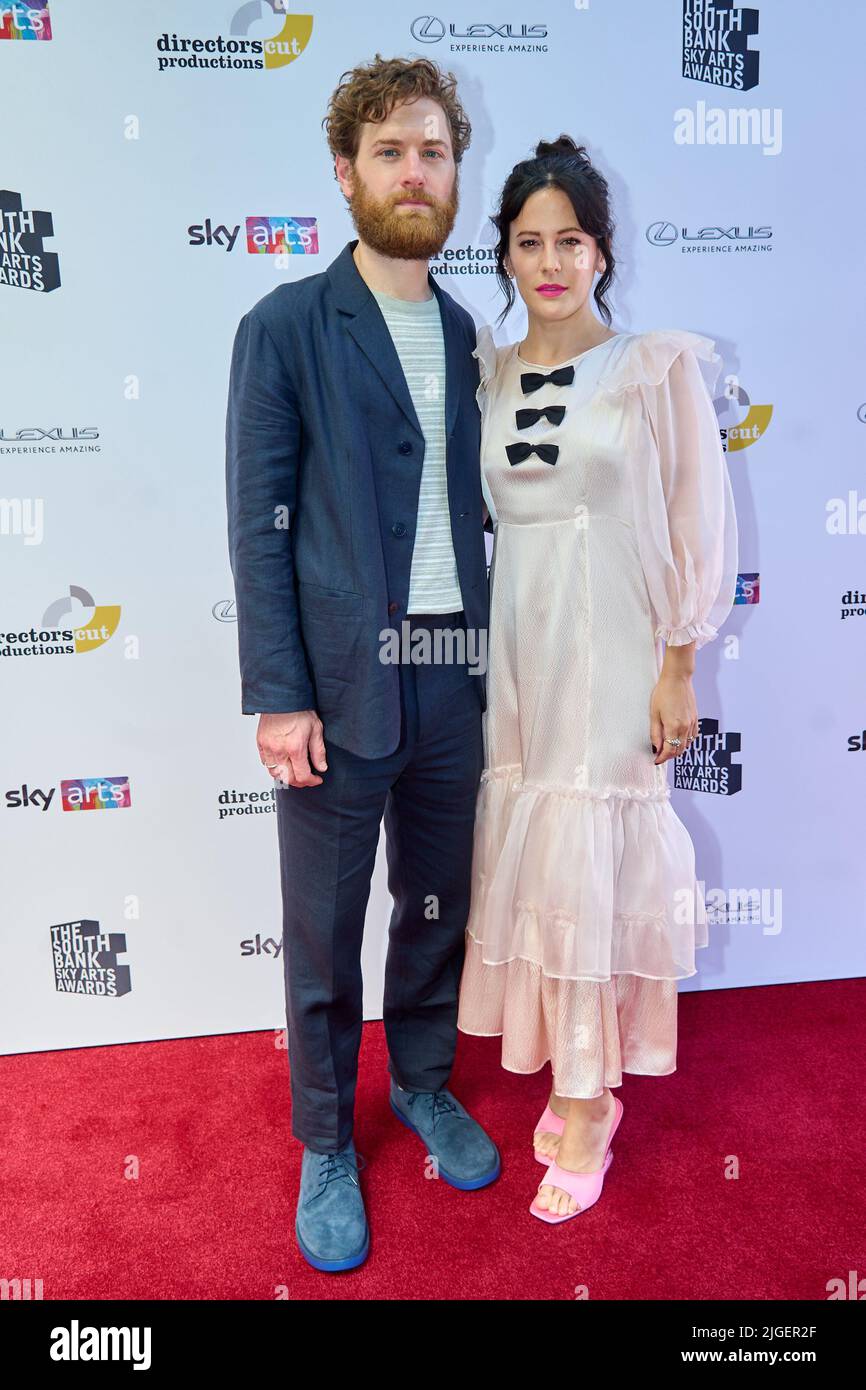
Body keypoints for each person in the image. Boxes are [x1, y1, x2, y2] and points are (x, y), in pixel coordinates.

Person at [225, 54, 500, 1274]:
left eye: (432, 151)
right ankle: (328, 1135)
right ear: (344, 173)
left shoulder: (465, 329)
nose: (413, 171)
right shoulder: (284, 325)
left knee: (436, 906)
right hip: (338, 682)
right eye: (388, 151)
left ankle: (423, 1086)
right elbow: (257, 519)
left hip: (453, 670)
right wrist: (279, 691)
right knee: (325, 929)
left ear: (453, 172)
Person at [456, 136, 739, 1224]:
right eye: (527, 242)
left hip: (619, 642)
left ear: (601, 251)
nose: (548, 261)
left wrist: (679, 662)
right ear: (508, 256)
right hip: (523, 647)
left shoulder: (650, 368)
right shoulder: (489, 370)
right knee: (541, 849)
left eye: (567, 239)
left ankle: (584, 1104)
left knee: (593, 853)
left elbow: (689, 520)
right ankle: (583, 1073)